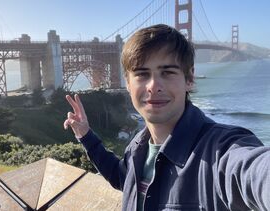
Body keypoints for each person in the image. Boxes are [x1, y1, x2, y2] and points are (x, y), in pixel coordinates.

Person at [63, 24, 270, 211]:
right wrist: (85, 135)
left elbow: (255, 172)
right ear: (127, 83)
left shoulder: (220, 152)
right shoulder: (137, 146)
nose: (154, 86)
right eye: (142, 74)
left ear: (189, 79)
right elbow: (122, 178)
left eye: (168, 72)